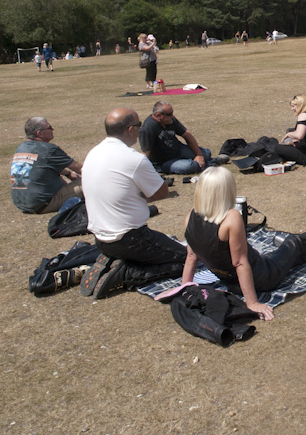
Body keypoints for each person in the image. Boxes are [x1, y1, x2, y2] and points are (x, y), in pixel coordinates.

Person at [182, 167, 306, 320]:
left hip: (231, 282)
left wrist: (184, 288)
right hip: (262, 277)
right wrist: (252, 303)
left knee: (293, 258)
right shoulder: (231, 217)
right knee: (293, 243)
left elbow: (191, 256)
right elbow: (240, 263)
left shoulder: (190, 215)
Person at [81, 108, 186, 299]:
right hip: (130, 238)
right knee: (187, 260)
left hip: (100, 238)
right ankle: (127, 273)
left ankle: (115, 260)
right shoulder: (134, 159)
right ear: (130, 129)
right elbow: (161, 192)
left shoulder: (93, 152)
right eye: (139, 126)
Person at [10, 117, 83, 214]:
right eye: (49, 127)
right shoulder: (49, 150)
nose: (53, 129)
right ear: (39, 133)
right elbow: (82, 169)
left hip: (22, 203)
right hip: (41, 204)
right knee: (91, 183)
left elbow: (43, 165)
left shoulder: (21, 148)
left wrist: (68, 174)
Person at [138, 101, 220, 174]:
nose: (172, 116)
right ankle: (209, 163)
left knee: (206, 154)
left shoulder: (170, 120)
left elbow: (187, 134)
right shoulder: (148, 128)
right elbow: (145, 153)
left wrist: (199, 155)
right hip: (163, 161)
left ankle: (206, 161)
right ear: (158, 115)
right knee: (189, 166)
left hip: (178, 150)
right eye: (169, 114)